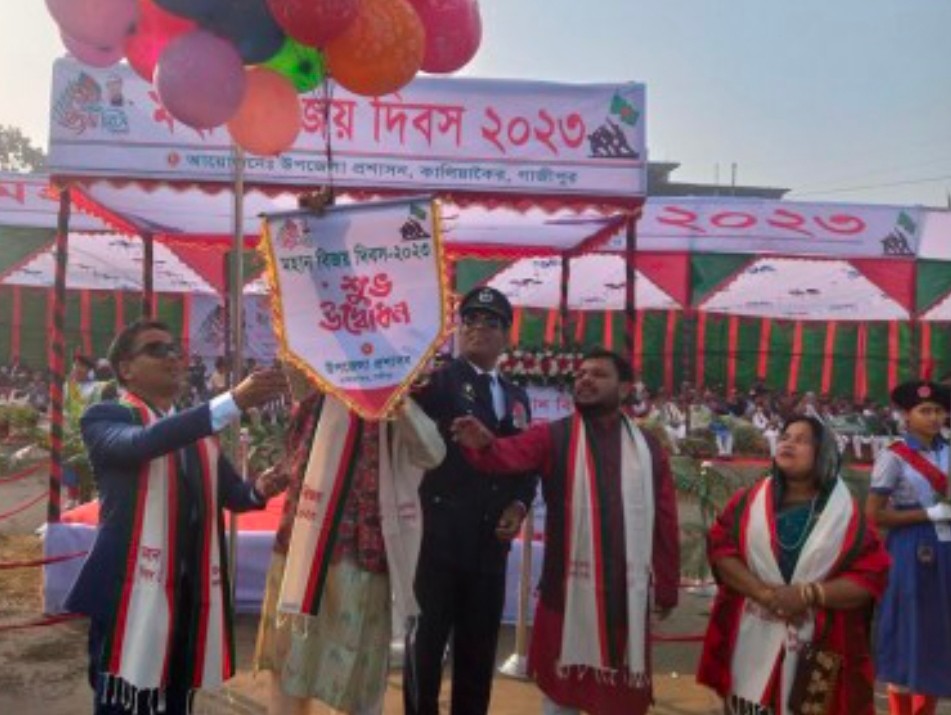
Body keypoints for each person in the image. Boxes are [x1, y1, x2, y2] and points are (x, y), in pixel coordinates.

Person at [65, 319, 290, 715]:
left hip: (189, 590)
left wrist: (262, 487)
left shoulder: (196, 429)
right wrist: (231, 402)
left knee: (177, 700)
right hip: (129, 589)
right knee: (123, 700)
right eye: (156, 350)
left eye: (175, 350)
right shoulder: (105, 417)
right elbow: (140, 444)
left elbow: (234, 495)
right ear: (125, 368)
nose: (172, 357)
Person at [452, 348, 680, 715]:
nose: (585, 379)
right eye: (581, 373)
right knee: (560, 699)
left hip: (626, 596)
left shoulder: (649, 449)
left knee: (620, 702)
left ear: (624, 389)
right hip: (566, 592)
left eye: (599, 374)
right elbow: (507, 455)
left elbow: (665, 520)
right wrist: (485, 443)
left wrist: (666, 585)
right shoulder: (553, 436)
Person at [254, 390, 445, 715]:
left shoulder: (395, 399)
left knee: (360, 675)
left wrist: (397, 400)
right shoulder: (316, 392)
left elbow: (432, 453)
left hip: (364, 551)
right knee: (289, 665)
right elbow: (295, 455)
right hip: (302, 548)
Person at [698, 416, 890, 715]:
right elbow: (722, 550)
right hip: (751, 632)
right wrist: (764, 594)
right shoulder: (747, 502)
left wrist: (807, 594)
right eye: (785, 437)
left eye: (801, 440)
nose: (788, 443)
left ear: (822, 453)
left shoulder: (846, 515)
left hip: (821, 645)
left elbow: (870, 575)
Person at [404, 286, 538, 715]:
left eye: (490, 322)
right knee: (426, 648)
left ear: (506, 335)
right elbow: (401, 409)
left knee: (478, 654)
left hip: (491, 546)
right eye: (470, 321)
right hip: (439, 541)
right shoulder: (438, 382)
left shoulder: (516, 396)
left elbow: (526, 462)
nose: (478, 328)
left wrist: (519, 505)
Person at [866, 380, 951, 715]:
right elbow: (874, 514)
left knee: (937, 630)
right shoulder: (893, 456)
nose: (933, 417)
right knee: (908, 629)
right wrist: (927, 514)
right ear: (907, 415)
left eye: (939, 410)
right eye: (924, 411)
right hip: (910, 548)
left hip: (947, 547)